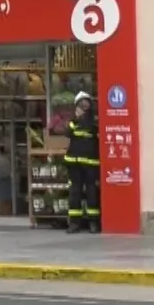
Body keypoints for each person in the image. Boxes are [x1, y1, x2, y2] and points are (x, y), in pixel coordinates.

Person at [65, 92, 101, 233]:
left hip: (88, 164)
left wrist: (78, 120)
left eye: (83, 106)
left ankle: (90, 223)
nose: (82, 108)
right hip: (76, 163)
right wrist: (77, 120)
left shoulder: (92, 123)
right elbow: (68, 133)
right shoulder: (76, 122)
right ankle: (78, 223)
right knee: (76, 193)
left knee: (89, 192)